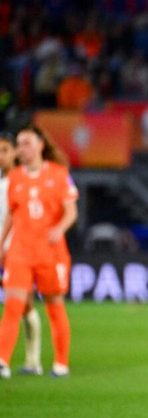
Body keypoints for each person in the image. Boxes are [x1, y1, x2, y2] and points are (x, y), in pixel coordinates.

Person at [0, 125, 78, 379]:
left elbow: (71, 212)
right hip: (21, 251)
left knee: (54, 307)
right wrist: (2, 244)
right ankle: (2, 360)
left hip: (51, 253)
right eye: (20, 144)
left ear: (41, 144)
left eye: (27, 143)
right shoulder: (15, 178)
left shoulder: (59, 174)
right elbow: (11, 215)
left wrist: (60, 228)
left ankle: (61, 363)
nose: (22, 149)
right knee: (13, 305)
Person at [0, 132, 43, 375]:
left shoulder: (21, 181)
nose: (1, 155)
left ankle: (32, 359)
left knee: (21, 304)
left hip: (15, 250)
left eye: (5, 150)